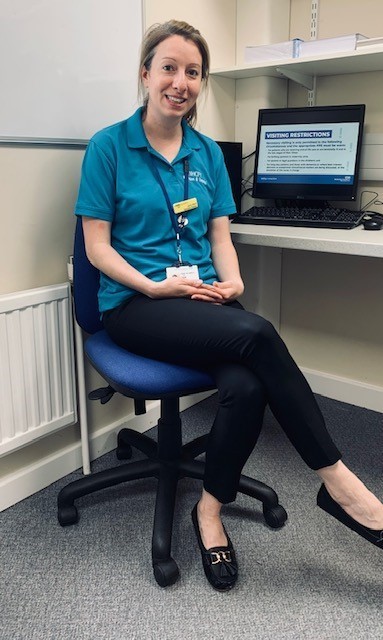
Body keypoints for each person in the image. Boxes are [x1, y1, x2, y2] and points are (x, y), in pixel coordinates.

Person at [75, 19, 383, 591]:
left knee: (244, 386)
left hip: (200, 303)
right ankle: (345, 488)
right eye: (168, 67)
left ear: (201, 82)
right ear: (146, 74)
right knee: (261, 335)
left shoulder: (208, 153)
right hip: (137, 306)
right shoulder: (108, 147)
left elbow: (220, 236)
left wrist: (234, 283)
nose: (181, 81)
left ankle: (209, 511)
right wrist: (153, 287)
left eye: (193, 72)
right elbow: (96, 248)